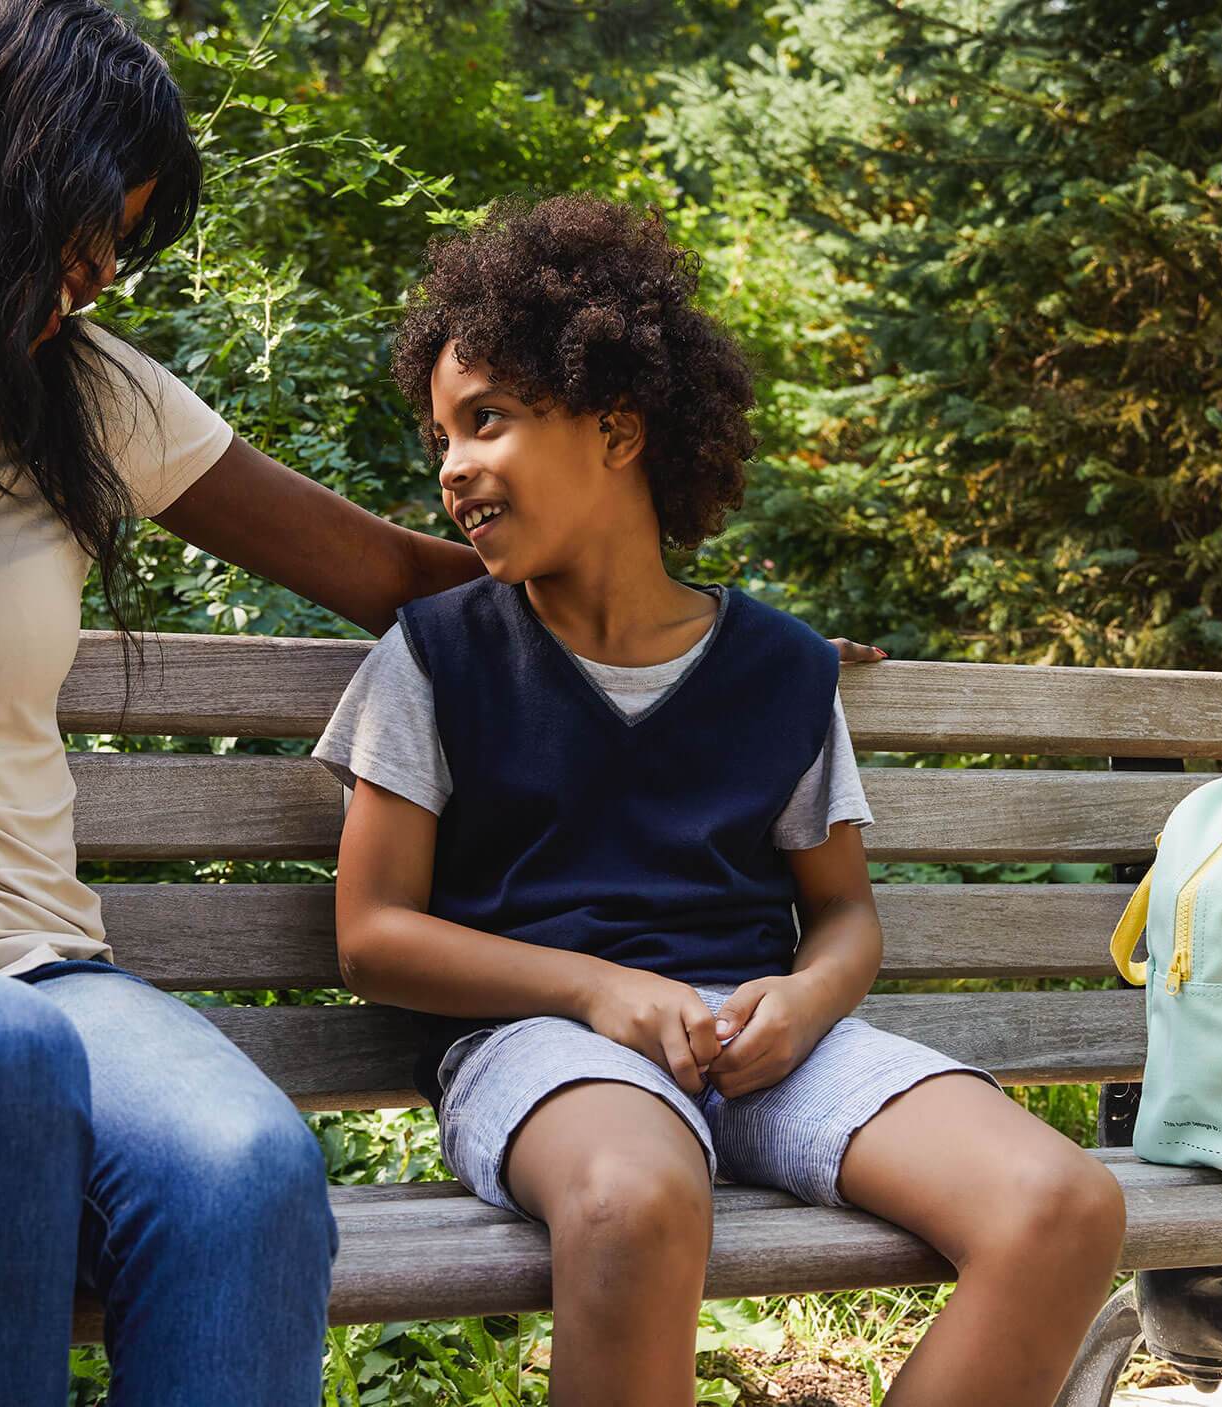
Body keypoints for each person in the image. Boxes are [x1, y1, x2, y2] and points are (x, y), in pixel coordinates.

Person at [0, 3, 885, 1403]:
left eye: (106, 263)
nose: (81, 292)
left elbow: (387, 571)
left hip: (36, 963)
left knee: (248, 1166)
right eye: (70, 244)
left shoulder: (77, 394)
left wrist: (707, 632)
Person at [313, 192, 1126, 1407]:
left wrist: (804, 1001)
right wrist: (595, 987)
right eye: (439, 437)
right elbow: (372, 937)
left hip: (764, 1049)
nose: (451, 468)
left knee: (1061, 1203)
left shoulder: (781, 671)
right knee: (633, 1198)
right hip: (546, 1047)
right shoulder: (433, 660)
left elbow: (845, 916)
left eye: (487, 420)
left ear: (617, 428)